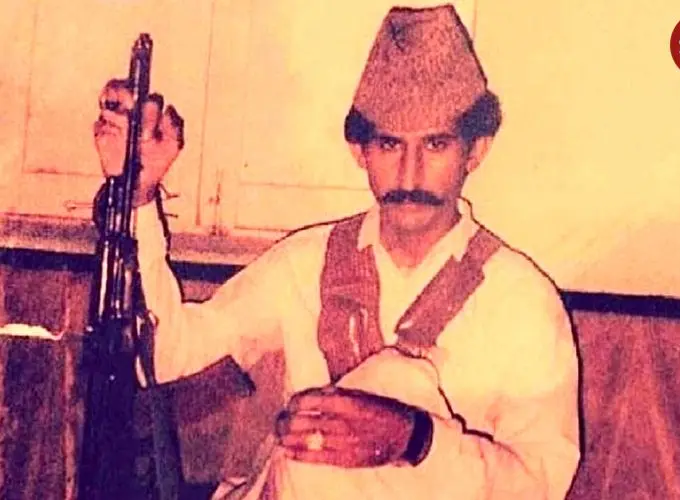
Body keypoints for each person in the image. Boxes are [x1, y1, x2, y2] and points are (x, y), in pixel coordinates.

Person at [93, 4, 580, 499]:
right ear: (359, 151)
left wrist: (417, 440)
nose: (410, 174)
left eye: (436, 145)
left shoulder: (520, 301)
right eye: (389, 145)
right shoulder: (307, 263)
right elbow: (166, 355)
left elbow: (540, 483)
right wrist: (138, 195)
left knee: (397, 381)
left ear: (476, 150)